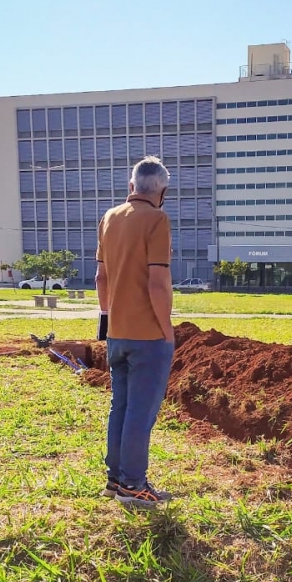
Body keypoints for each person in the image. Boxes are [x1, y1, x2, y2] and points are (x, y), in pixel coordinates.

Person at [95, 155, 175, 508]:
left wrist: (107, 315)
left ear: (132, 186)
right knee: (141, 413)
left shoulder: (109, 218)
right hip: (148, 337)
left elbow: (101, 277)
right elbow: (158, 283)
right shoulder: (157, 220)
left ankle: (116, 480)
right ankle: (133, 486)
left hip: (117, 332)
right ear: (162, 192)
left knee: (121, 407)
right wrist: (166, 328)